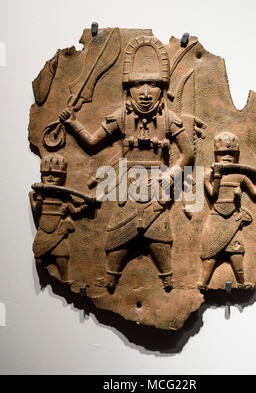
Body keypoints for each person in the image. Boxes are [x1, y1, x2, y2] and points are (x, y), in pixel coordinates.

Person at [59, 35, 194, 292]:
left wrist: (173, 173)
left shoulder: (169, 119)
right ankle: (112, 276)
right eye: (138, 85)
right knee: (118, 232)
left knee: (159, 233)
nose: (145, 93)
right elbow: (91, 143)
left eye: (152, 85)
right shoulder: (122, 116)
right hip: (128, 187)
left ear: (162, 88)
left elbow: (189, 153)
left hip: (157, 186)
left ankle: (168, 278)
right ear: (128, 88)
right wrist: (73, 123)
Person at [198, 131, 256, 290]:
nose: (227, 157)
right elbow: (213, 195)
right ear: (216, 154)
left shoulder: (241, 176)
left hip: (234, 218)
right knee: (211, 252)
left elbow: (255, 193)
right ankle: (203, 282)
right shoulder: (208, 174)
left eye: (231, 153)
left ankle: (242, 282)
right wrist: (216, 176)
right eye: (222, 153)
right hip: (216, 216)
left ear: (236, 155)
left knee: (236, 251)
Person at [30, 154, 88, 282]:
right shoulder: (35, 193)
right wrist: (39, 197)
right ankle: (48, 268)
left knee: (62, 254)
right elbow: (37, 209)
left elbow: (74, 211)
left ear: (63, 176)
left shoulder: (64, 195)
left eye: (56, 175)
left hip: (58, 229)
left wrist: (83, 208)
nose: (50, 178)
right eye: (46, 174)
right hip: (44, 228)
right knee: (39, 255)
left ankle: (65, 279)